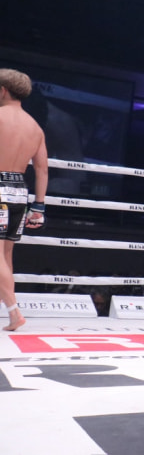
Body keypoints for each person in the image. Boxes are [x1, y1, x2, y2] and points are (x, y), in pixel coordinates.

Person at [0, 69, 48, 331]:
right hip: (19, 190)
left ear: (3, 90)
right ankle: (10, 311)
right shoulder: (35, 127)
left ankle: (14, 311)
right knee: (6, 255)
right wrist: (38, 207)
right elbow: (42, 169)